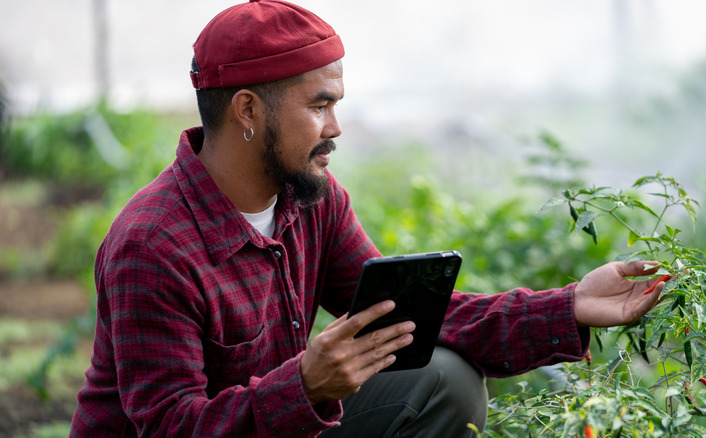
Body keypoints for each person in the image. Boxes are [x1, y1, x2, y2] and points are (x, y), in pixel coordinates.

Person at [69, 1, 669, 437]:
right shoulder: (154, 245)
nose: (335, 127)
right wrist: (302, 387)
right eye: (319, 105)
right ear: (248, 110)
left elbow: (424, 323)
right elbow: (173, 429)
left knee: (443, 375)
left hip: (273, 426)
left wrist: (571, 306)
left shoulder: (312, 201)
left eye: (337, 104)